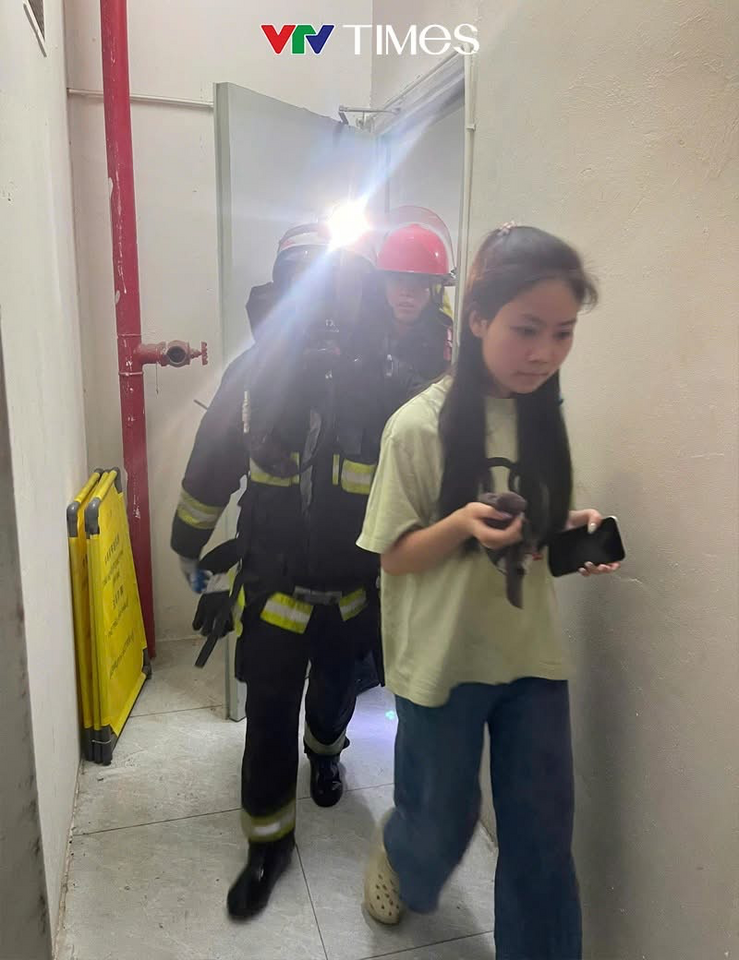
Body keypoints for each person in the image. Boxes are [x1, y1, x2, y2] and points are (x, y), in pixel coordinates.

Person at [357, 224, 620, 958]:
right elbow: (393, 557)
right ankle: (398, 850)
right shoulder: (416, 427)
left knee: (541, 841)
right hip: (442, 660)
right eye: (526, 329)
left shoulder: (543, 420)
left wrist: (569, 530)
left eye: (563, 333)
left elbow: (529, 534)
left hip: (530, 659)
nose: (545, 353)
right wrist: (459, 524)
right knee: (440, 821)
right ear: (476, 319)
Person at [171, 222, 422, 921]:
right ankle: (269, 844)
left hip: (352, 588)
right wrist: (189, 543)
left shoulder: (388, 380)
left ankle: (328, 753)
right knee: (269, 715)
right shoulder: (255, 375)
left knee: (338, 690)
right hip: (273, 582)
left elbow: (425, 460)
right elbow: (211, 464)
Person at [354, 215, 455, 695]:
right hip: (356, 478)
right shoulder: (359, 330)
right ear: (383, 282)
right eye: (398, 280)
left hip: (412, 475)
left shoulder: (445, 340)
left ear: (434, 288)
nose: (407, 293)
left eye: (419, 283)